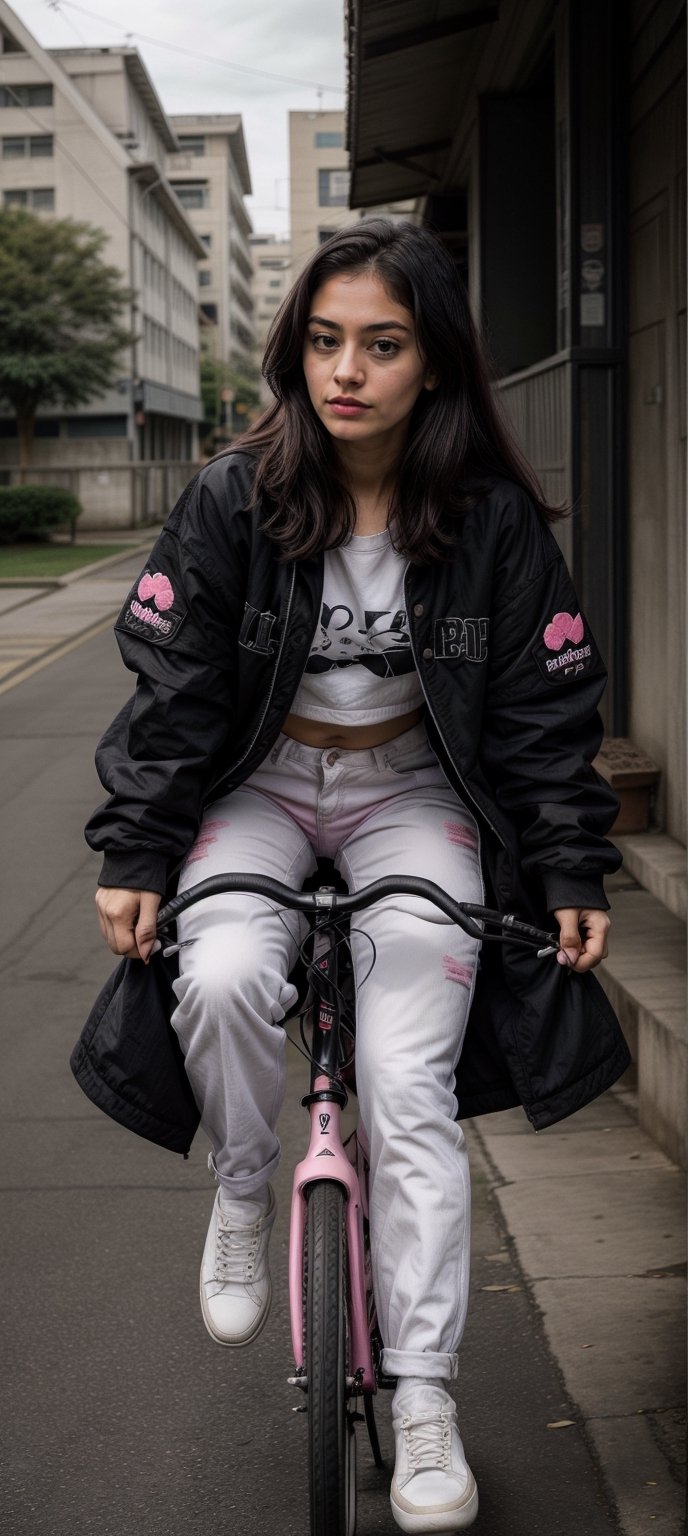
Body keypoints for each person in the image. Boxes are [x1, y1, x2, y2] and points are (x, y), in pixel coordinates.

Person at [86, 219, 625, 1534]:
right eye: (325, 342)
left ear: (429, 363)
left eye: (381, 346)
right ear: (296, 353)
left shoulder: (489, 520)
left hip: (413, 799)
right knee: (212, 976)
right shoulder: (234, 495)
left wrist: (566, 865)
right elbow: (174, 691)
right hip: (262, 788)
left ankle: (429, 1397)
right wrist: (139, 848)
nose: (348, 371)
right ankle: (245, 1180)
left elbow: (544, 707)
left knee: (406, 1085)